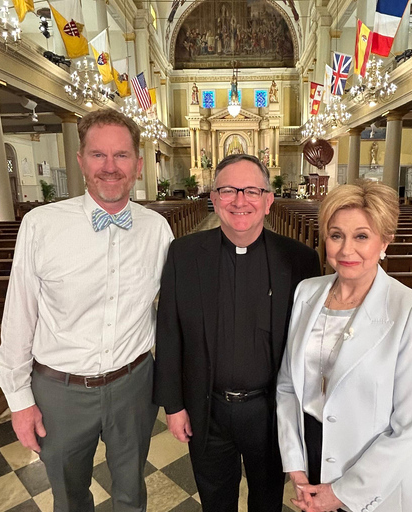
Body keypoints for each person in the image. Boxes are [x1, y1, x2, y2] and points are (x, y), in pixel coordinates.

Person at [0, 109, 173, 512]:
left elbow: (172, 312)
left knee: (131, 491)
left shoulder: (156, 229)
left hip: (133, 385)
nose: (110, 168)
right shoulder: (42, 225)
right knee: (69, 495)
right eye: (98, 155)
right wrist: (18, 399)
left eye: (121, 156)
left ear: (138, 164)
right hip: (60, 391)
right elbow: (18, 316)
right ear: (80, 160)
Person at [153, 154, 321, 511]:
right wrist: (174, 405)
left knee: (267, 500)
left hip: (271, 411)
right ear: (213, 198)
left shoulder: (300, 259)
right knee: (215, 501)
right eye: (228, 190)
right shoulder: (183, 254)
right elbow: (169, 331)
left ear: (268, 201)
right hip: (206, 408)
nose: (240, 201)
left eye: (251, 191)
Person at [277, 181, 412, 512]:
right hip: (312, 452)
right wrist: (294, 459)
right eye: (336, 236)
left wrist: (342, 493)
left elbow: (410, 426)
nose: (346, 250)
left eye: (361, 236)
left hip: (376, 472)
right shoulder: (307, 292)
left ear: (385, 242)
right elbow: (286, 386)